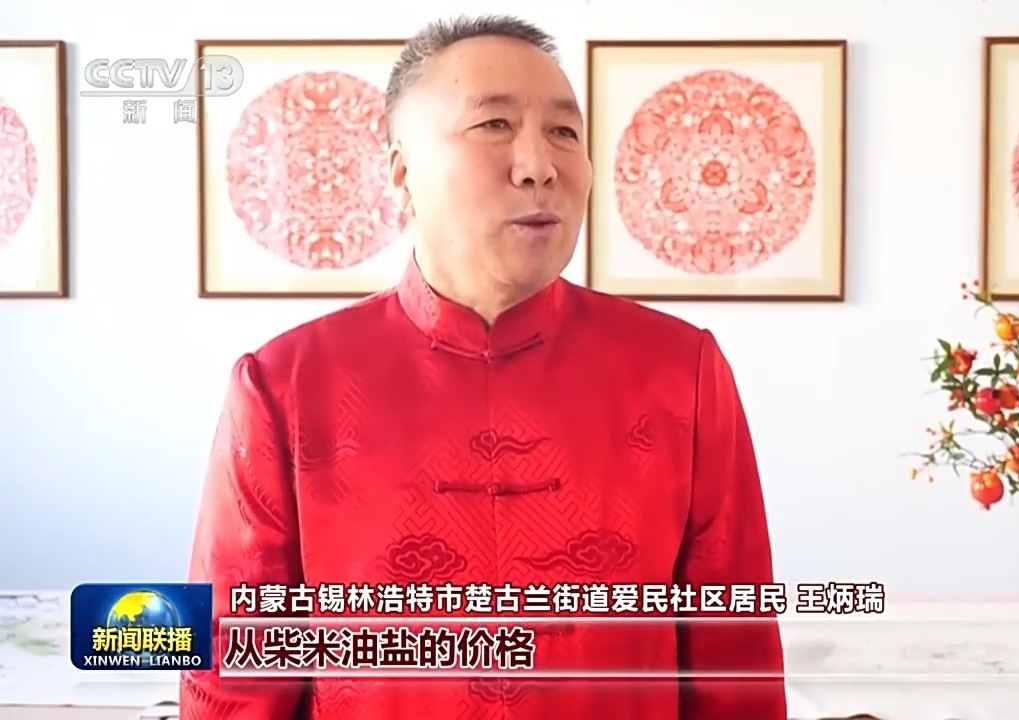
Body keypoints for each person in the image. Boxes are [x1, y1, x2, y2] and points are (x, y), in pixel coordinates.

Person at [180, 14, 786, 719]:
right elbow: (233, 678)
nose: (539, 166)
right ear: (403, 174)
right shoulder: (285, 386)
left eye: (564, 132)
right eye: (494, 125)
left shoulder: (680, 372)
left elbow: (735, 659)